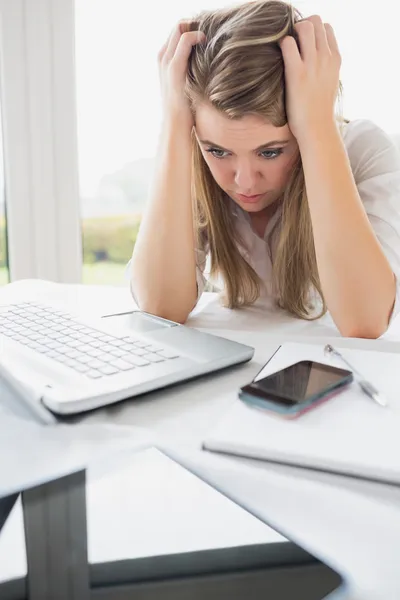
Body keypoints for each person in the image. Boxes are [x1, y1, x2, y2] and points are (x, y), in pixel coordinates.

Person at [130, 0, 400, 338]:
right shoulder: (190, 156)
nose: (243, 181)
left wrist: (317, 127)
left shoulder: (362, 151)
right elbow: (160, 308)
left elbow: (366, 321)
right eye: (218, 151)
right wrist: (174, 123)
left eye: (271, 152)